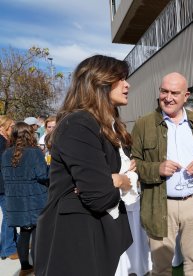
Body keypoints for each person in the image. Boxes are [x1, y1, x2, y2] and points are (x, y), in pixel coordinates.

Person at [35, 55, 134, 276]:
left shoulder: (102, 124)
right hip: (75, 239)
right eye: (120, 78)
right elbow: (99, 196)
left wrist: (112, 180)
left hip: (94, 232)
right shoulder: (78, 123)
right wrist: (117, 179)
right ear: (100, 82)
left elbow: (104, 185)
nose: (127, 84)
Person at [131, 72, 193, 276]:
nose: (168, 97)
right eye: (164, 91)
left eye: (174, 93)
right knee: (161, 268)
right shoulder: (143, 124)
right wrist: (156, 169)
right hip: (161, 205)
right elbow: (133, 162)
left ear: (186, 96)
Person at [2, 122, 49, 276]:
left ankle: (25, 267)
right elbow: (43, 175)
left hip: (15, 199)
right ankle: (39, 268)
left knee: (24, 232)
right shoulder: (34, 152)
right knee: (37, 233)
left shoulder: (6, 154)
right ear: (30, 134)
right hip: (34, 198)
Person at [0, 115, 18, 260]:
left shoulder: (5, 141)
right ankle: (8, 248)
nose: (13, 129)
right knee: (9, 216)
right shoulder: (1, 142)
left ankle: (15, 240)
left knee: (9, 214)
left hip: (4, 184)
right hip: (3, 185)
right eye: (11, 126)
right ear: (3, 127)